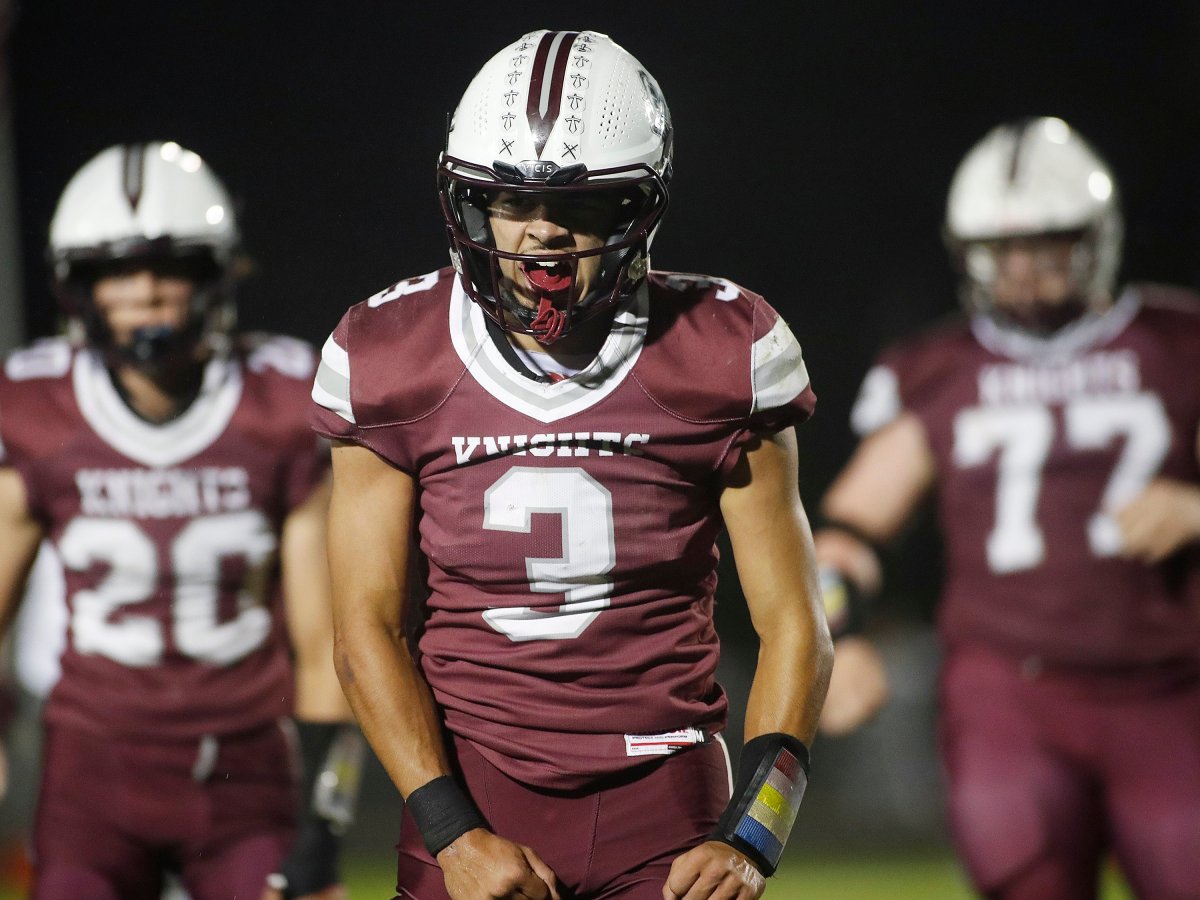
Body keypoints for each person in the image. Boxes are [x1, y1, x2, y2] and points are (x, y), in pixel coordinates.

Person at [310, 29, 833, 900]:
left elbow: (796, 626)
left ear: (639, 208)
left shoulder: (722, 350)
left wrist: (754, 833)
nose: (542, 232)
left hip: (665, 799)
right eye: (509, 202)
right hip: (468, 788)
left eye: (579, 207)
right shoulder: (390, 355)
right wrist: (453, 834)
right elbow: (366, 631)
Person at [814, 117, 1200, 899]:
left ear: (1097, 238)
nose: (1022, 270)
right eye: (1002, 251)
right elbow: (847, 534)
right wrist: (839, 635)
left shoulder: (1179, 343)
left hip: (1170, 685)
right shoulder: (939, 370)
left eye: (1047, 244)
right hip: (1009, 695)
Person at [0, 141, 362, 900]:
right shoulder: (38, 411)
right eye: (116, 271)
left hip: (242, 771)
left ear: (216, 275)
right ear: (79, 286)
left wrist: (322, 826)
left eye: (172, 267)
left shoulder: (278, 404)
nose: (146, 292)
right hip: (90, 775)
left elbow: (328, 640)